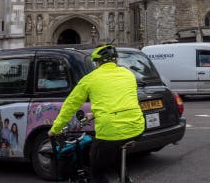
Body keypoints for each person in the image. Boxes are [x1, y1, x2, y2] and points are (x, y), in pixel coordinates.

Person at [49, 44, 145, 183]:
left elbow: (70, 106)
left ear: (98, 63)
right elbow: (119, 100)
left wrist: (55, 129)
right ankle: (125, 178)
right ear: (115, 61)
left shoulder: (90, 79)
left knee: (96, 171)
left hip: (110, 130)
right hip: (137, 128)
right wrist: (93, 114)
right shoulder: (128, 74)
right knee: (118, 150)